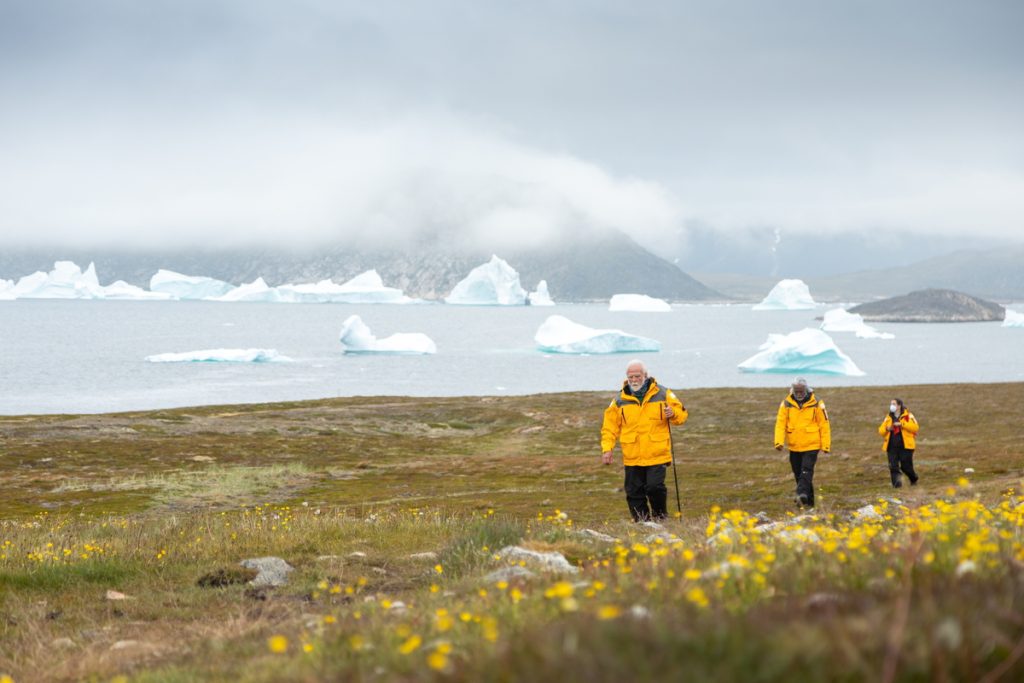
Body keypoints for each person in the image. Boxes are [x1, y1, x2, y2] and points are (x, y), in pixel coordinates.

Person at [600, 360, 687, 522]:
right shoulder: (619, 400)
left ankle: (661, 518)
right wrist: (607, 449)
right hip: (632, 455)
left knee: (655, 488)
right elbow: (609, 427)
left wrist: (673, 413)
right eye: (630, 376)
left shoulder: (663, 393)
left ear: (645, 376)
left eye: (637, 376)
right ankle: (643, 523)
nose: (633, 379)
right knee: (633, 492)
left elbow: (682, 415)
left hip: (657, 453)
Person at [774, 377, 831, 508]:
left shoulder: (817, 403)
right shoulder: (786, 403)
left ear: (806, 390)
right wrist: (779, 442)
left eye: (801, 391)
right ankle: (809, 504)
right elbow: (780, 423)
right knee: (798, 474)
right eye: (797, 391)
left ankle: (801, 495)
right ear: (793, 391)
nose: (799, 394)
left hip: (812, 444)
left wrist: (826, 445)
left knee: (806, 470)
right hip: (794, 445)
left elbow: (824, 424)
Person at [878, 398, 920, 488]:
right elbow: (881, 431)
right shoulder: (888, 417)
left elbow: (915, 427)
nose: (891, 406)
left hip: (906, 446)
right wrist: (887, 429)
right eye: (891, 404)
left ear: (899, 405)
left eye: (894, 404)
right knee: (893, 467)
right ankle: (897, 486)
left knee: (906, 467)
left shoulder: (908, 416)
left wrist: (902, 425)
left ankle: (914, 479)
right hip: (891, 446)